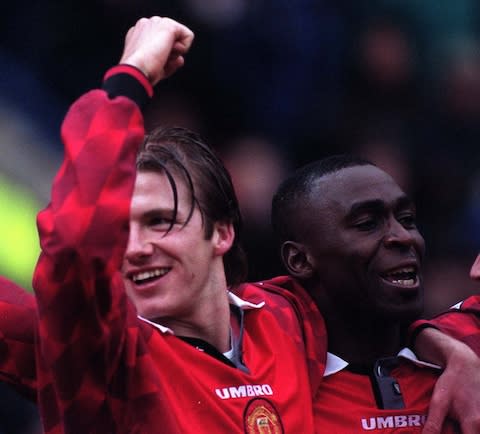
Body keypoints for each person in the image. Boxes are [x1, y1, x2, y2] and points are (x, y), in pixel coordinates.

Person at [30, 16, 323, 434]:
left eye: (158, 221)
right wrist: (132, 73)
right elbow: (75, 244)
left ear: (222, 231)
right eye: (117, 230)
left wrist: (437, 344)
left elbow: (390, 308)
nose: (133, 248)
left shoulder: (291, 317)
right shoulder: (103, 355)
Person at [270, 154, 480, 433]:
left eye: (407, 219)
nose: (404, 237)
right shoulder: (268, 390)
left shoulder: (468, 345)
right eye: (368, 223)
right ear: (299, 260)